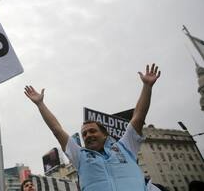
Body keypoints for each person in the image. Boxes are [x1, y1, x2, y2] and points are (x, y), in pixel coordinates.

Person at [24, 64, 161, 191]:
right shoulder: (80, 156)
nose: (88, 135)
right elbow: (57, 130)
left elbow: (138, 117)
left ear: (105, 134)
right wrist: (40, 104)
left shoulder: (125, 147)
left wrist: (147, 86)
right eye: (84, 134)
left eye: (92, 131)